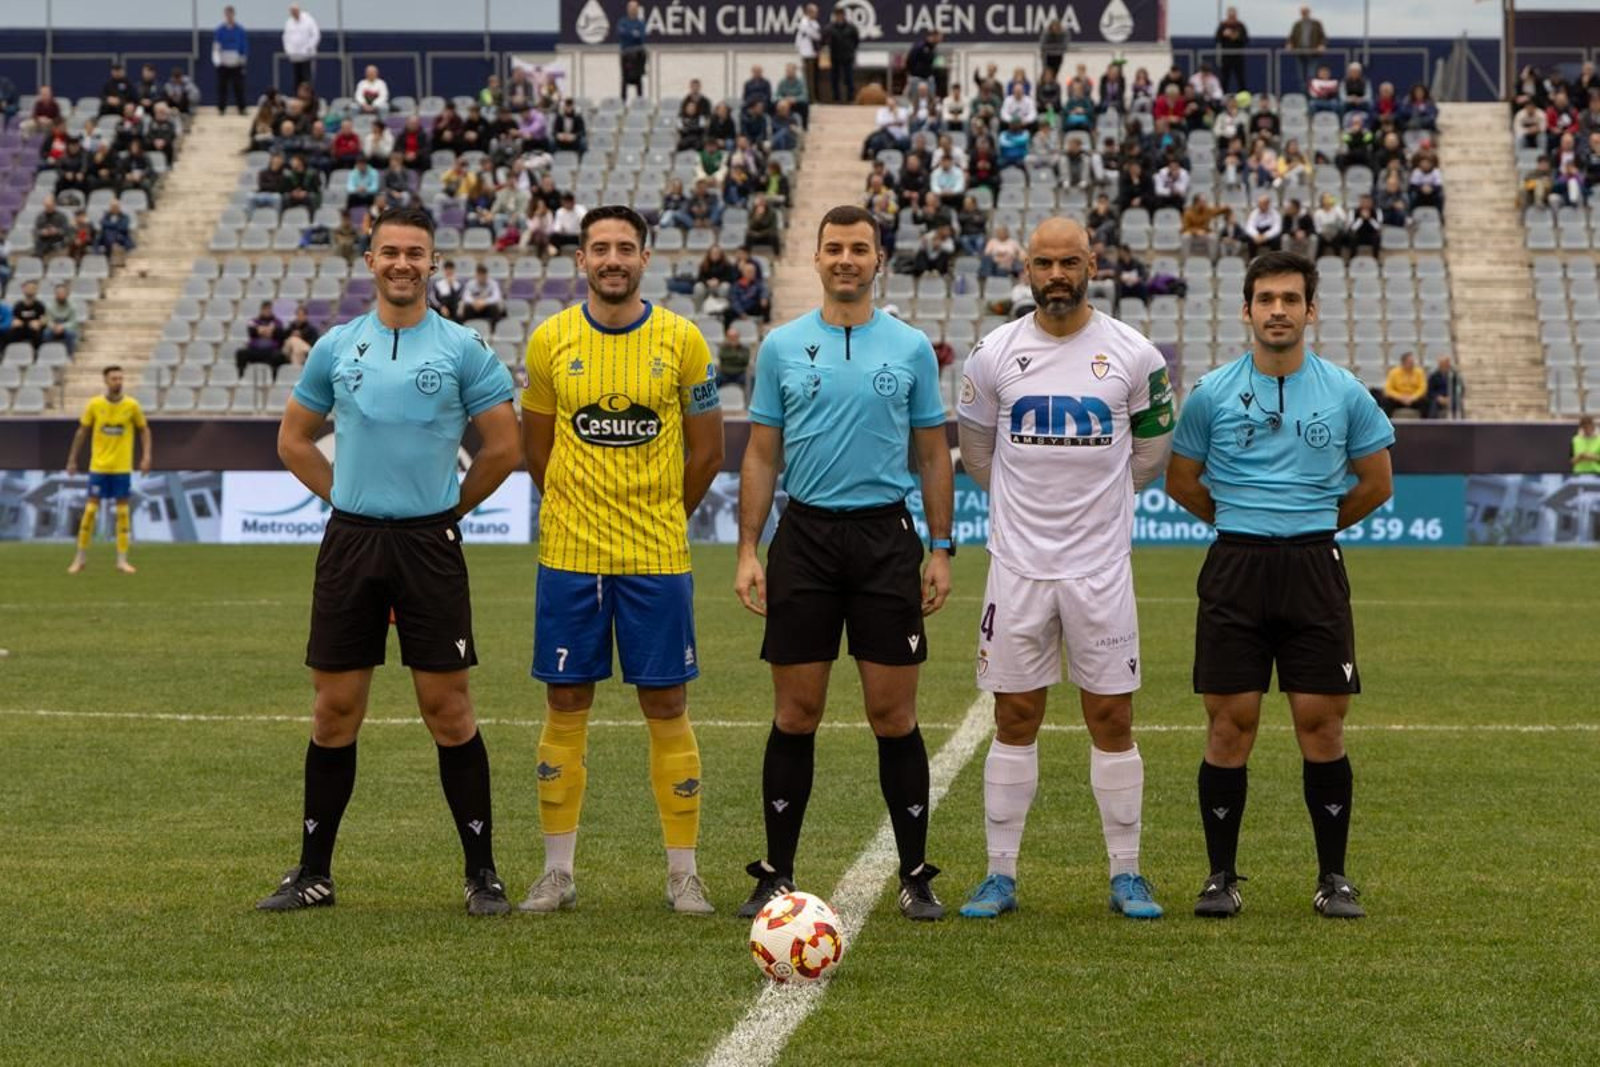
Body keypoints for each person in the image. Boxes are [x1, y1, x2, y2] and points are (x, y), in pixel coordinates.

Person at [260, 204, 521, 915]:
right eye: (390, 252)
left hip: (429, 542)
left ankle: (482, 873)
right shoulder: (337, 346)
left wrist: (449, 510)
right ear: (370, 261)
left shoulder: (464, 347)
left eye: (416, 253)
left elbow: (504, 446)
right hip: (351, 541)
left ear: (434, 264)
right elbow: (294, 439)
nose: (403, 263)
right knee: (334, 709)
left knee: (449, 708)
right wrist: (342, 497)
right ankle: (313, 871)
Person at [734, 203, 954, 922]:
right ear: (818, 258)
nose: (846, 259)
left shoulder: (912, 346)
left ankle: (915, 872)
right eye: (835, 248)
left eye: (860, 248)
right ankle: (777, 873)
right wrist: (747, 548)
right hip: (805, 539)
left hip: (886, 541)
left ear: (878, 259)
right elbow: (762, 453)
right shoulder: (781, 346)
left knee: (893, 714)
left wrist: (942, 547)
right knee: (796, 712)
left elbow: (931, 453)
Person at [953, 218, 1174, 922]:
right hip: (1018, 566)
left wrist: (1094, 510)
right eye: (1044, 262)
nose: (1056, 274)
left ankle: (1127, 872)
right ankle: (999, 874)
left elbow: (1149, 456)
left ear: (1092, 264)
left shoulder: (1136, 356)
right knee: (1014, 712)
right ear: (1025, 269)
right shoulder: (993, 354)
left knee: (1112, 714)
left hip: (1100, 568)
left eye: (1069, 262)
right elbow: (980, 455)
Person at [1164, 250, 1394, 921]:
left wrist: (1312, 523)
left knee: (1319, 723)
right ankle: (1220, 876)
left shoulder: (1346, 391)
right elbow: (1181, 481)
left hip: (1313, 568)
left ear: (1310, 310)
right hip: (1235, 567)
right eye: (1265, 299)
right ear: (1246, 310)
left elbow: (1377, 482)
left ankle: (1333, 876)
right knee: (1229, 723)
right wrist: (1244, 523)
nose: (1278, 311)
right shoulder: (1210, 392)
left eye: (1291, 299)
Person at [517, 204, 724, 915]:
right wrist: (577, 506)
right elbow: (536, 449)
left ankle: (683, 874)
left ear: (645, 257)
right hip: (571, 555)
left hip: (656, 555)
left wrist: (662, 511)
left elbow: (707, 453)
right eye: (600, 248)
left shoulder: (683, 339)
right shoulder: (550, 340)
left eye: (625, 248)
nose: (612, 259)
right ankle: (557, 872)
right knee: (565, 699)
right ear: (581, 259)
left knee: (666, 701)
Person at [65, 366, 151, 576]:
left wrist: (146, 456)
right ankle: (80, 558)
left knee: (122, 513)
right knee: (90, 512)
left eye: (121, 378)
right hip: (99, 467)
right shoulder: (95, 404)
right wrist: (72, 459)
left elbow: (144, 430)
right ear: (106, 381)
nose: (118, 381)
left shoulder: (132, 405)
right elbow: (82, 432)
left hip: (122, 467)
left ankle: (122, 560)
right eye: (114, 378)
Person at [212, 5, 250, 116]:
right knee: (222, 87)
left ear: (233, 14)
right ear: (225, 15)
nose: (229, 16)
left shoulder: (240, 30)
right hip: (223, 63)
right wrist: (217, 61)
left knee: (239, 87)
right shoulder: (219, 30)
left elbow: (244, 46)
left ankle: (242, 108)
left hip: (236, 63)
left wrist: (243, 60)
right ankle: (221, 108)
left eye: (231, 14)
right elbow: (216, 47)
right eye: (227, 14)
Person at [824, 6, 860, 104]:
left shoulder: (851, 28)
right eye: (837, 15)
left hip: (847, 57)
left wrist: (851, 50)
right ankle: (836, 99)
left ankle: (850, 99)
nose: (839, 17)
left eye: (841, 15)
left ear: (844, 16)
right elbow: (825, 41)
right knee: (834, 79)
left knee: (849, 79)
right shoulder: (829, 28)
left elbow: (856, 41)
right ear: (835, 16)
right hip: (834, 57)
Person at [1286, 5, 1327, 90]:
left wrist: (1321, 45)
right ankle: (1303, 95)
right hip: (1300, 52)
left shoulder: (1316, 24)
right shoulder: (1297, 24)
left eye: (1306, 12)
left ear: (1309, 12)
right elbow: (1291, 37)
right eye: (1302, 12)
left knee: (1310, 76)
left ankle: (1311, 94)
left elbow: (1323, 37)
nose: (1304, 14)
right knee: (1301, 77)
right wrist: (1290, 44)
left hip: (1313, 53)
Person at [283, 4, 321, 92]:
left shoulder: (308, 20)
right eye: (292, 12)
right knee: (297, 78)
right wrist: (288, 50)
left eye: (295, 11)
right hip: (294, 56)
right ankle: (297, 97)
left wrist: (309, 47)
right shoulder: (289, 22)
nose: (293, 13)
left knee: (306, 78)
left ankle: (308, 97)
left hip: (306, 55)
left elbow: (315, 35)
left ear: (298, 10)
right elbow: (286, 37)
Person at [1380, 350, 1428, 418]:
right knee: (1386, 401)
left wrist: (1413, 397)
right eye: (1410, 362)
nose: (1412, 363)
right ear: (1403, 362)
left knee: (1425, 402)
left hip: (1413, 399)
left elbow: (1423, 388)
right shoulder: (1393, 372)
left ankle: (1425, 426)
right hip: (1399, 399)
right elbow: (1388, 389)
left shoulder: (1419, 372)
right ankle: (1386, 426)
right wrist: (1400, 397)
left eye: (1413, 362)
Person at [618, 1, 648, 102]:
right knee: (624, 79)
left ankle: (640, 101)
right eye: (631, 8)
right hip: (626, 54)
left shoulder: (640, 23)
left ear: (638, 9)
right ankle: (623, 102)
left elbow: (642, 38)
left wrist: (630, 33)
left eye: (635, 8)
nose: (633, 10)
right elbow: (622, 34)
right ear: (627, 9)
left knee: (638, 79)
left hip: (638, 55)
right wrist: (633, 33)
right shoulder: (622, 22)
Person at [1215, 7, 1250, 95]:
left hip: (1238, 56)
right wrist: (1223, 35)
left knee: (1241, 79)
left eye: (1233, 16)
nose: (1232, 18)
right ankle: (1222, 98)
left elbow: (1246, 39)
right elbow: (1217, 39)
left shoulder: (1240, 25)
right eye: (1230, 16)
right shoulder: (1223, 25)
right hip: (1226, 56)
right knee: (1224, 79)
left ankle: (1244, 99)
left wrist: (1236, 37)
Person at [794, 3, 822, 103]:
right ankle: (811, 98)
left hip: (814, 53)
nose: (816, 14)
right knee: (809, 78)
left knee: (815, 77)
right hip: (807, 54)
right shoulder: (804, 23)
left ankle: (815, 96)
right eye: (814, 12)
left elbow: (818, 37)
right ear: (808, 12)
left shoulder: (815, 23)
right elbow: (813, 35)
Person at [1426, 354, 1463, 420]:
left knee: (1457, 403)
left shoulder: (1455, 375)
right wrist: (1438, 397)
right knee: (1432, 404)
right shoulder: (1433, 376)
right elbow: (1430, 391)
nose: (1442, 366)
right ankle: (1432, 425)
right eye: (1441, 364)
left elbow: (1460, 389)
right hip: (1438, 398)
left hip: (1452, 397)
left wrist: (1451, 397)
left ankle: (1458, 425)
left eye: (1445, 364)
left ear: (1448, 363)